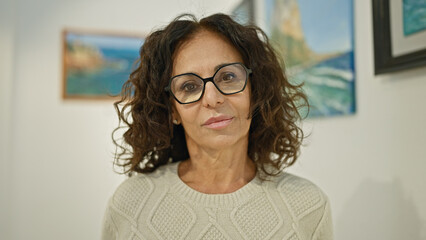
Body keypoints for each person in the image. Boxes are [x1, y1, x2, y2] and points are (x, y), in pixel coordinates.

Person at [102, 13, 333, 240]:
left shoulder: (307, 207)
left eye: (228, 77)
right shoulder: (129, 205)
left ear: (255, 91)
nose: (212, 98)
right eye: (189, 86)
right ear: (173, 110)